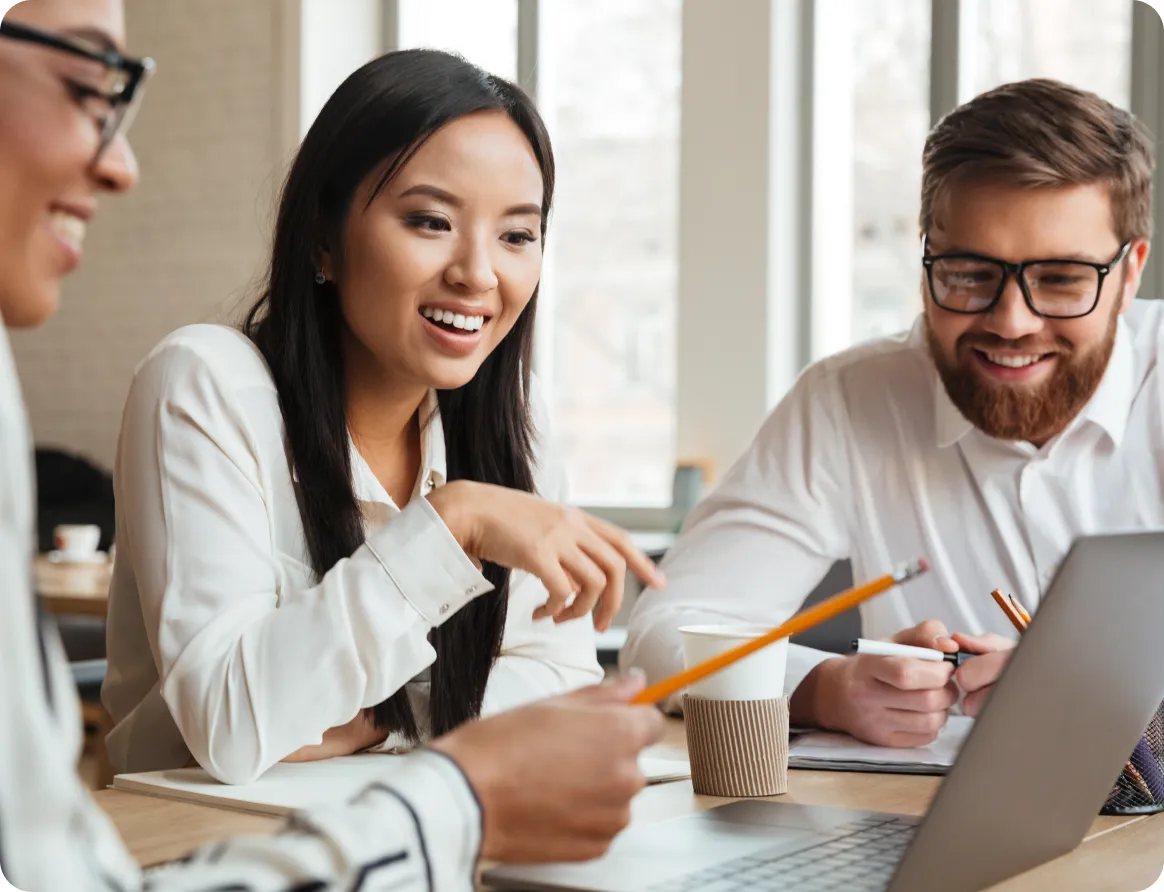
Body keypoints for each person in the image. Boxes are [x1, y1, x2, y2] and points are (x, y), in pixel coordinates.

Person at [0, 1, 663, 889]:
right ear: (323, 236)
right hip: (206, 859)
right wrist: (453, 524)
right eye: (430, 221)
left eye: (518, 235)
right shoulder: (207, 383)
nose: (478, 273)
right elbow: (233, 726)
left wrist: (375, 716)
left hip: (436, 858)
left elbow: (559, 697)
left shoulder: (515, 422)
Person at [623, 77, 1157, 748]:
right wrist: (822, 689)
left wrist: (1096, 694)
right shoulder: (847, 400)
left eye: (1060, 280)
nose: (1012, 322)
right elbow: (663, 635)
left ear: (1130, 273)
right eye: (969, 273)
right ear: (926, 256)